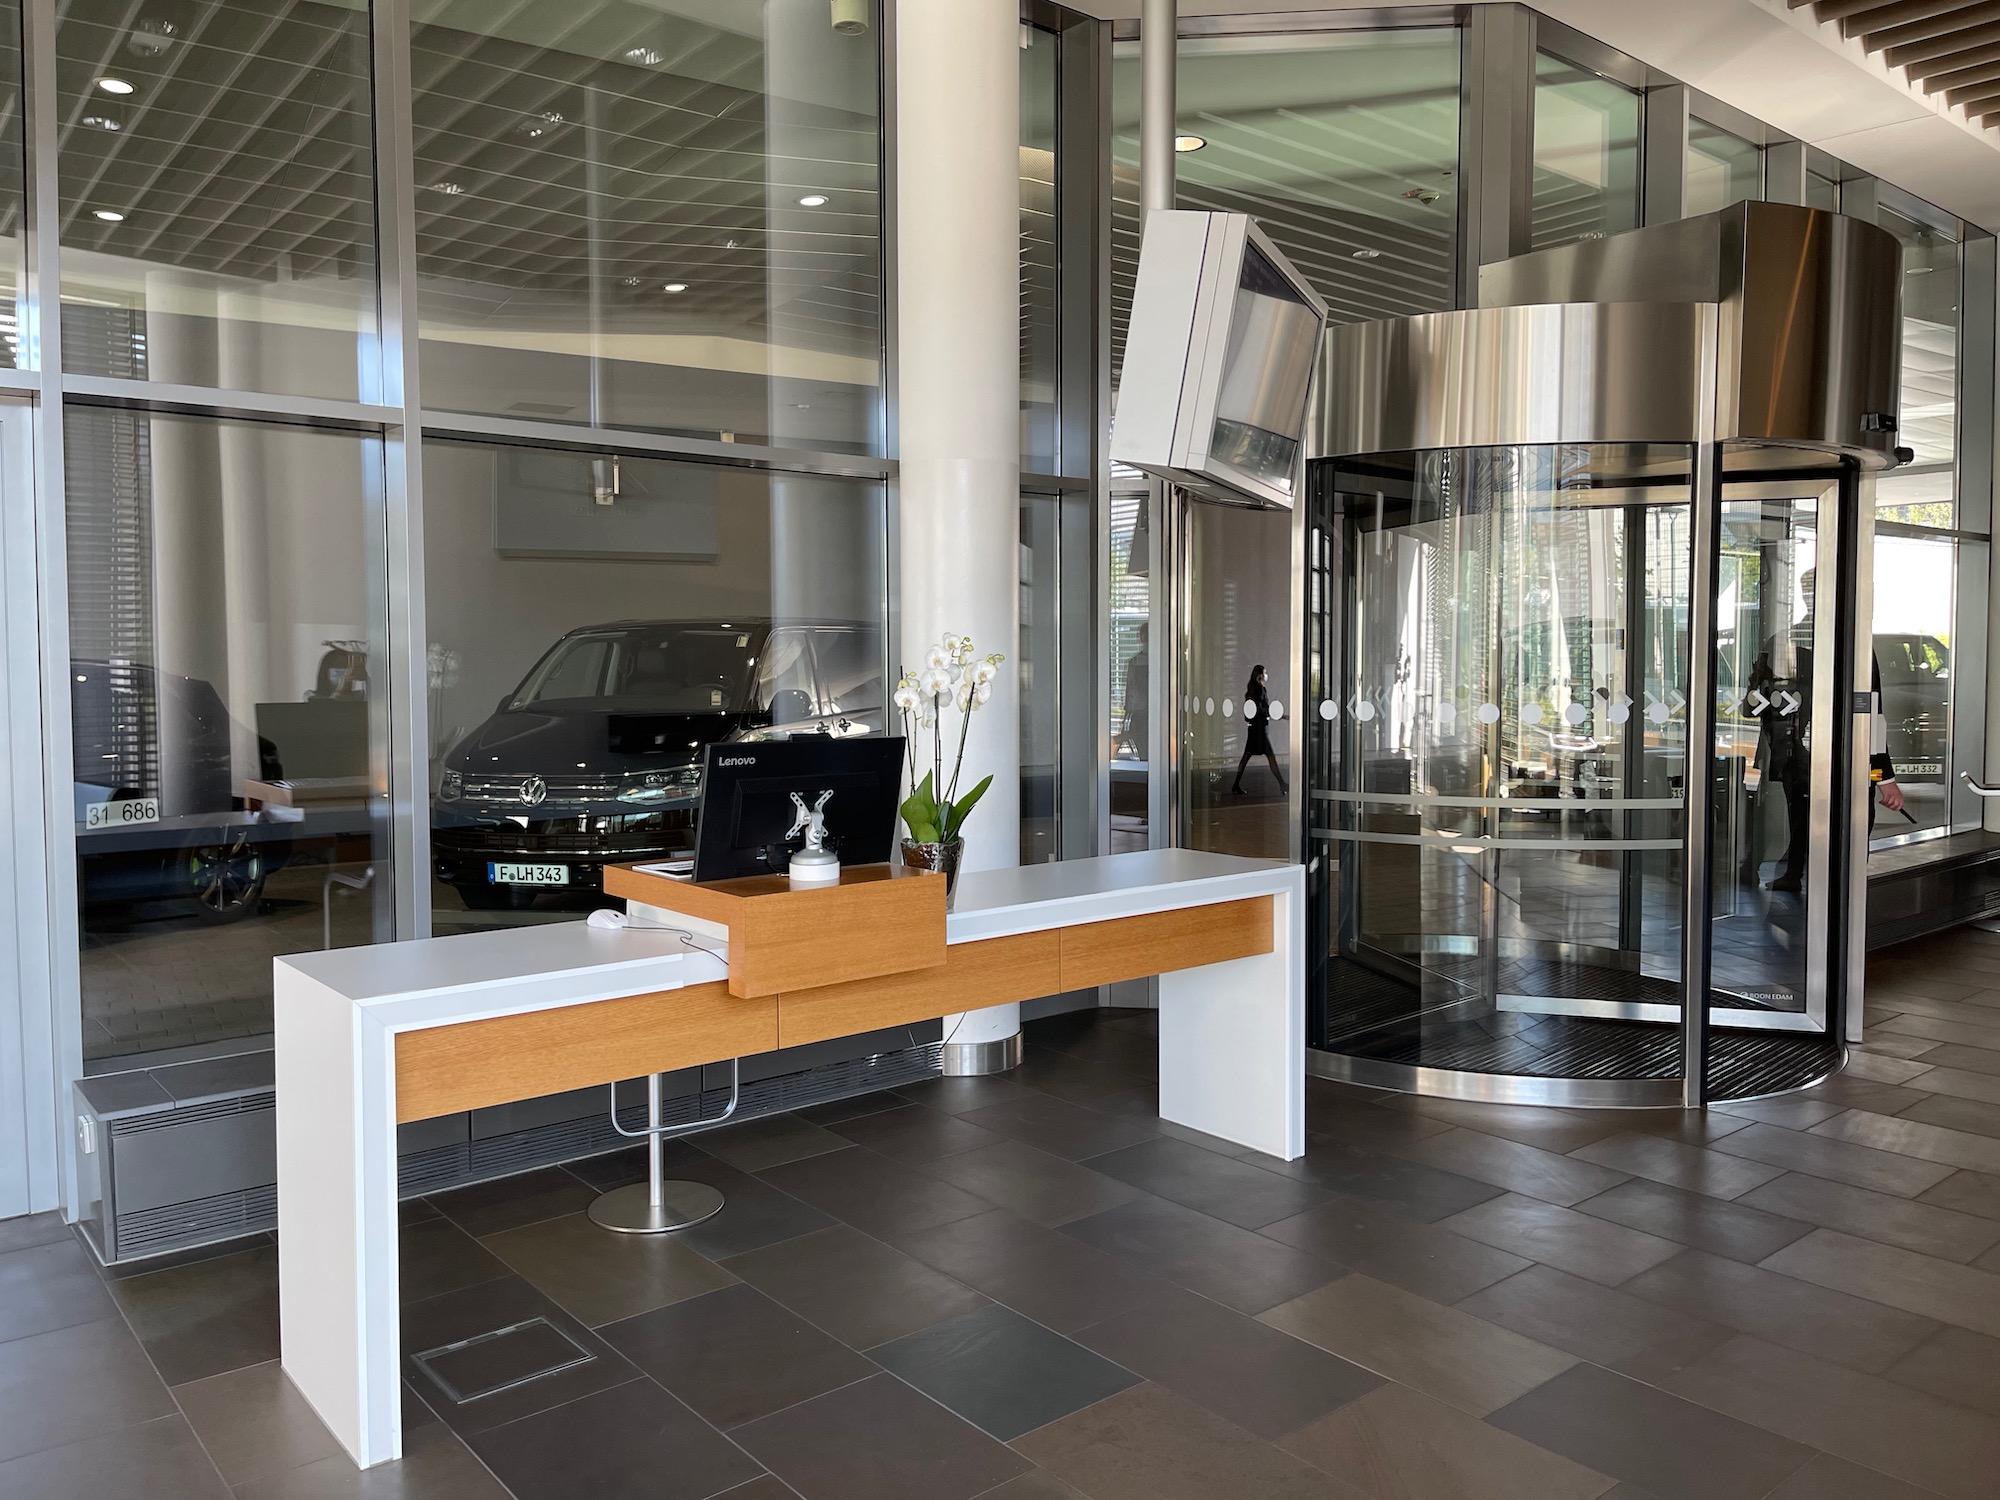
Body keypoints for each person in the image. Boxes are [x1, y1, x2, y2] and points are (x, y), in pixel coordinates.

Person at [1231, 664, 1287, 795]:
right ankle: (1282, 784)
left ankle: (1236, 784)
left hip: (1255, 729)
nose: (1266, 676)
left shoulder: (1253, 689)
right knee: (1270, 756)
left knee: (1247, 755)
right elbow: (1261, 709)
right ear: (1259, 675)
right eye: (1264, 673)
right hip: (1259, 730)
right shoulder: (1258, 690)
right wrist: (1275, 714)